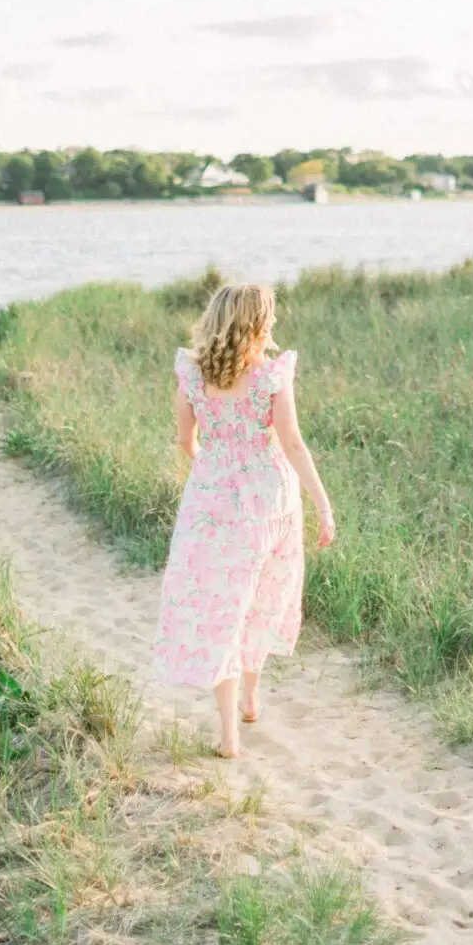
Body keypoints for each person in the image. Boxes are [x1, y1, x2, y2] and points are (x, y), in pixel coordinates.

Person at [152, 280, 335, 757]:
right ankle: (252, 696)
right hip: (269, 498)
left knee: (221, 607)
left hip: (212, 498)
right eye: (268, 316)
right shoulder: (272, 376)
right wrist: (323, 503)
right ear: (257, 323)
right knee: (261, 596)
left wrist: (212, 468)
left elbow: (184, 440)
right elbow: (292, 443)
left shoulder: (192, 374)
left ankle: (229, 734)